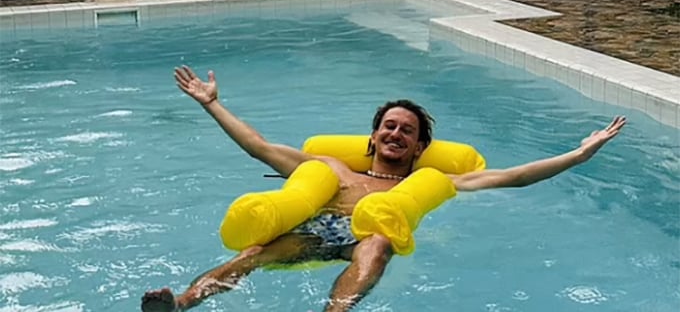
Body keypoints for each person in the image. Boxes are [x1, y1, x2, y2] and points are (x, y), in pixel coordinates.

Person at [141, 66, 626, 312]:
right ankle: (180, 304)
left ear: (419, 147)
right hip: (320, 228)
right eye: (389, 127)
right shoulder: (327, 166)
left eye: (407, 131)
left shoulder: (427, 182)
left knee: (375, 241)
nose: (395, 134)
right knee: (251, 253)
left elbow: (511, 177)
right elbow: (258, 146)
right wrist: (211, 104)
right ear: (372, 136)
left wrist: (578, 154)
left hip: (369, 236)